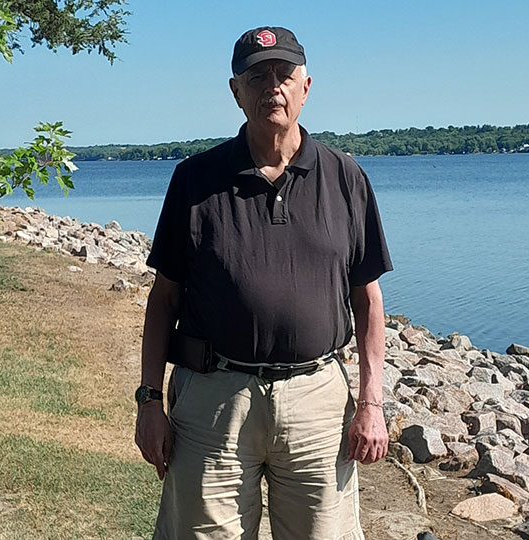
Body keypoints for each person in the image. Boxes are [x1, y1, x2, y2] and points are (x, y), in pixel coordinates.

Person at [134, 26, 393, 540]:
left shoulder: (345, 177)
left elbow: (367, 300)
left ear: (306, 86)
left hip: (317, 400)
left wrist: (371, 403)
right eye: (257, 76)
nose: (271, 85)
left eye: (283, 74)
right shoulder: (195, 179)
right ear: (236, 91)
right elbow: (163, 300)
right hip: (213, 400)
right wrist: (149, 403)